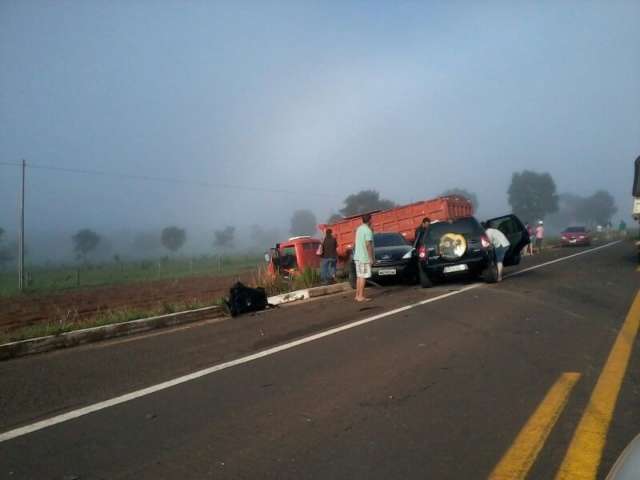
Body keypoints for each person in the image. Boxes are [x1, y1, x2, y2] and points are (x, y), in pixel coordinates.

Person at [353, 213, 374, 302]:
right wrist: (370, 258)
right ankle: (361, 296)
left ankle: (357, 295)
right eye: (371, 219)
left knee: (359, 276)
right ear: (369, 220)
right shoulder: (368, 231)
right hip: (364, 257)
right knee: (363, 277)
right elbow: (368, 245)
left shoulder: (359, 229)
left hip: (357, 256)